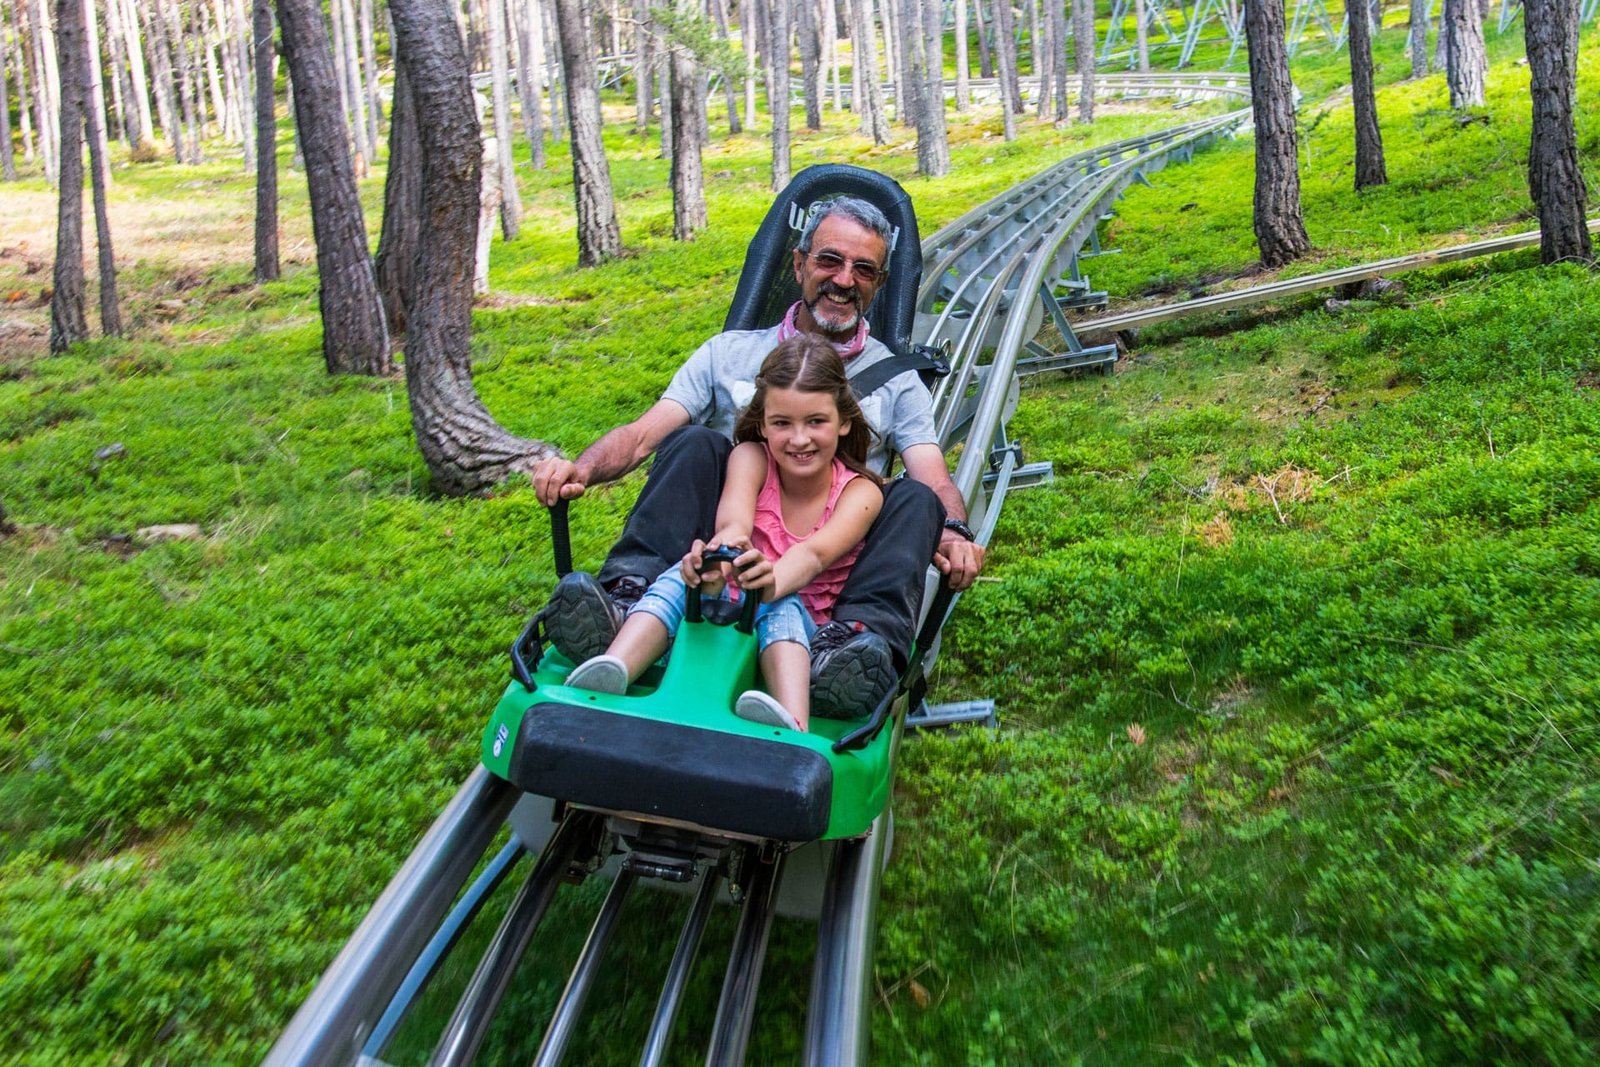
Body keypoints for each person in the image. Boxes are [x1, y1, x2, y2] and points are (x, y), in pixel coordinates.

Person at [533, 195, 986, 717]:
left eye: (863, 269)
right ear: (798, 264)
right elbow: (642, 435)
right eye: (829, 260)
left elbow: (931, 475)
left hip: (834, 551)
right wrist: (582, 469)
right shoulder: (728, 353)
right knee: (695, 442)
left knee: (914, 500)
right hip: (721, 547)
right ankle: (626, 599)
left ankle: (854, 647)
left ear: (878, 285)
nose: (843, 280)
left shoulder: (899, 380)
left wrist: (954, 531)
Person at [564, 336, 882, 732]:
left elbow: (814, 555)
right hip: (732, 599)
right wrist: (714, 560)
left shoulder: (860, 492)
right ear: (763, 424)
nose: (799, 439)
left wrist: (768, 584)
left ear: (844, 421)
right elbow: (733, 525)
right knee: (676, 579)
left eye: (816, 421)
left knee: (780, 605)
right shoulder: (751, 458)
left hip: (801, 627)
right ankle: (614, 668)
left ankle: (792, 718)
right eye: (782, 423)